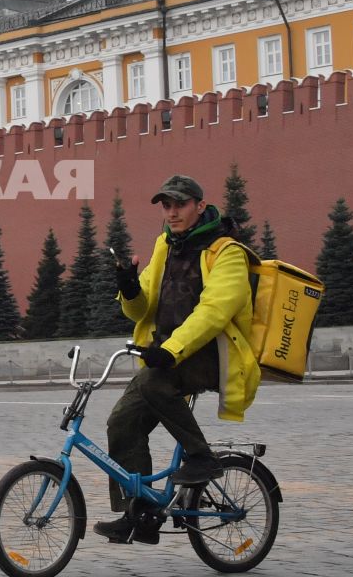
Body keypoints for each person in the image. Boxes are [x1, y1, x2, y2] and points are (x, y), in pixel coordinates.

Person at [93, 174, 261, 545]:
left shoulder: (227, 251)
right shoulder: (165, 246)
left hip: (211, 355)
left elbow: (215, 311)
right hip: (168, 356)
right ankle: (139, 514)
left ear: (200, 206)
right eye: (166, 205)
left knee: (154, 383)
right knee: (121, 423)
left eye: (179, 204)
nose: (172, 212)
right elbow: (142, 310)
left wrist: (171, 350)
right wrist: (129, 288)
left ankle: (202, 457)